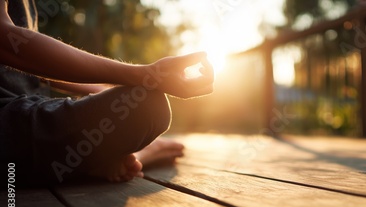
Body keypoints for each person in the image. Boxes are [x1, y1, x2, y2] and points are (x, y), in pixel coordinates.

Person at [0, 0, 214, 185]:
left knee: (137, 103)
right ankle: (126, 156)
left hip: (31, 109)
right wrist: (144, 74)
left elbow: (35, 69)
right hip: (8, 123)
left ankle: (89, 161)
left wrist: (111, 92)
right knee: (150, 108)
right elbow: (7, 43)